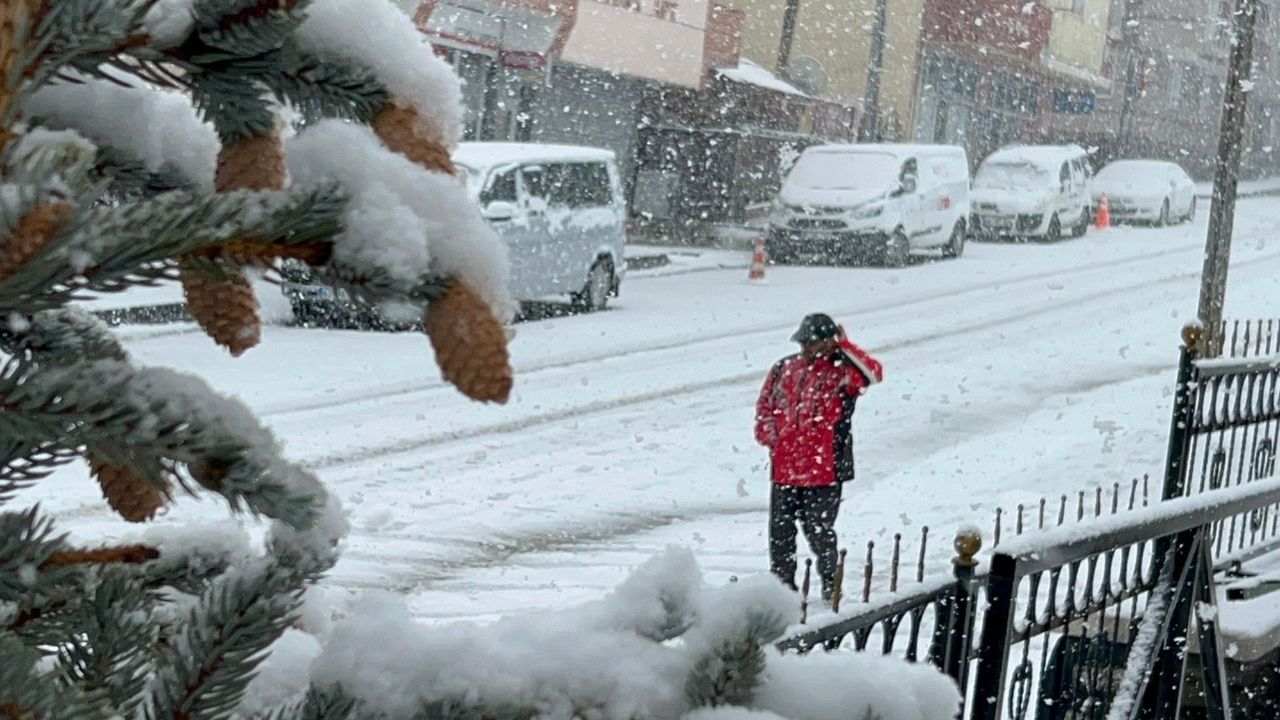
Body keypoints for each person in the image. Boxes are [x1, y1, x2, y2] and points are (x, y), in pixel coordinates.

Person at [754, 312, 883, 600]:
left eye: (815, 343)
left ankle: (830, 583)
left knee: (819, 532)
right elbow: (765, 405)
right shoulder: (784, 368)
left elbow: (874, 373)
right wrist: (772, 438)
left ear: (829, 342)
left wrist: (847, 347)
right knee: (780, 535)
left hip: (824, 470)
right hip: (785, 468)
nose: (809, 349)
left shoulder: (842, 371)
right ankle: (782, 589)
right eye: (806, 343)